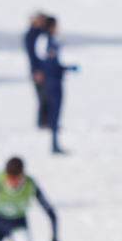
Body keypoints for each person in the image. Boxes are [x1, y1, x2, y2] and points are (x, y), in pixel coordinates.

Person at [34, 17, 74, 154]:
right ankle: (54, 144)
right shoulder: (46, 40)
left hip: (54, 79)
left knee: (57, 113)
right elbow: (49, 64)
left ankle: (55, 143)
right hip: (52, 81)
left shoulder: (49, 40)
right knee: (54, 112)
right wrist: (63, 69)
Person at [24, 10, 49, 129]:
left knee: (47, 96)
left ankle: (47, 121)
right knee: (43, 97)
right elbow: (32, 55)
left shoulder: (42, 33)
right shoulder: (31, 35)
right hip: (37, 70)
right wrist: (36, 70)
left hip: (44, 69)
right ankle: (42, 123)